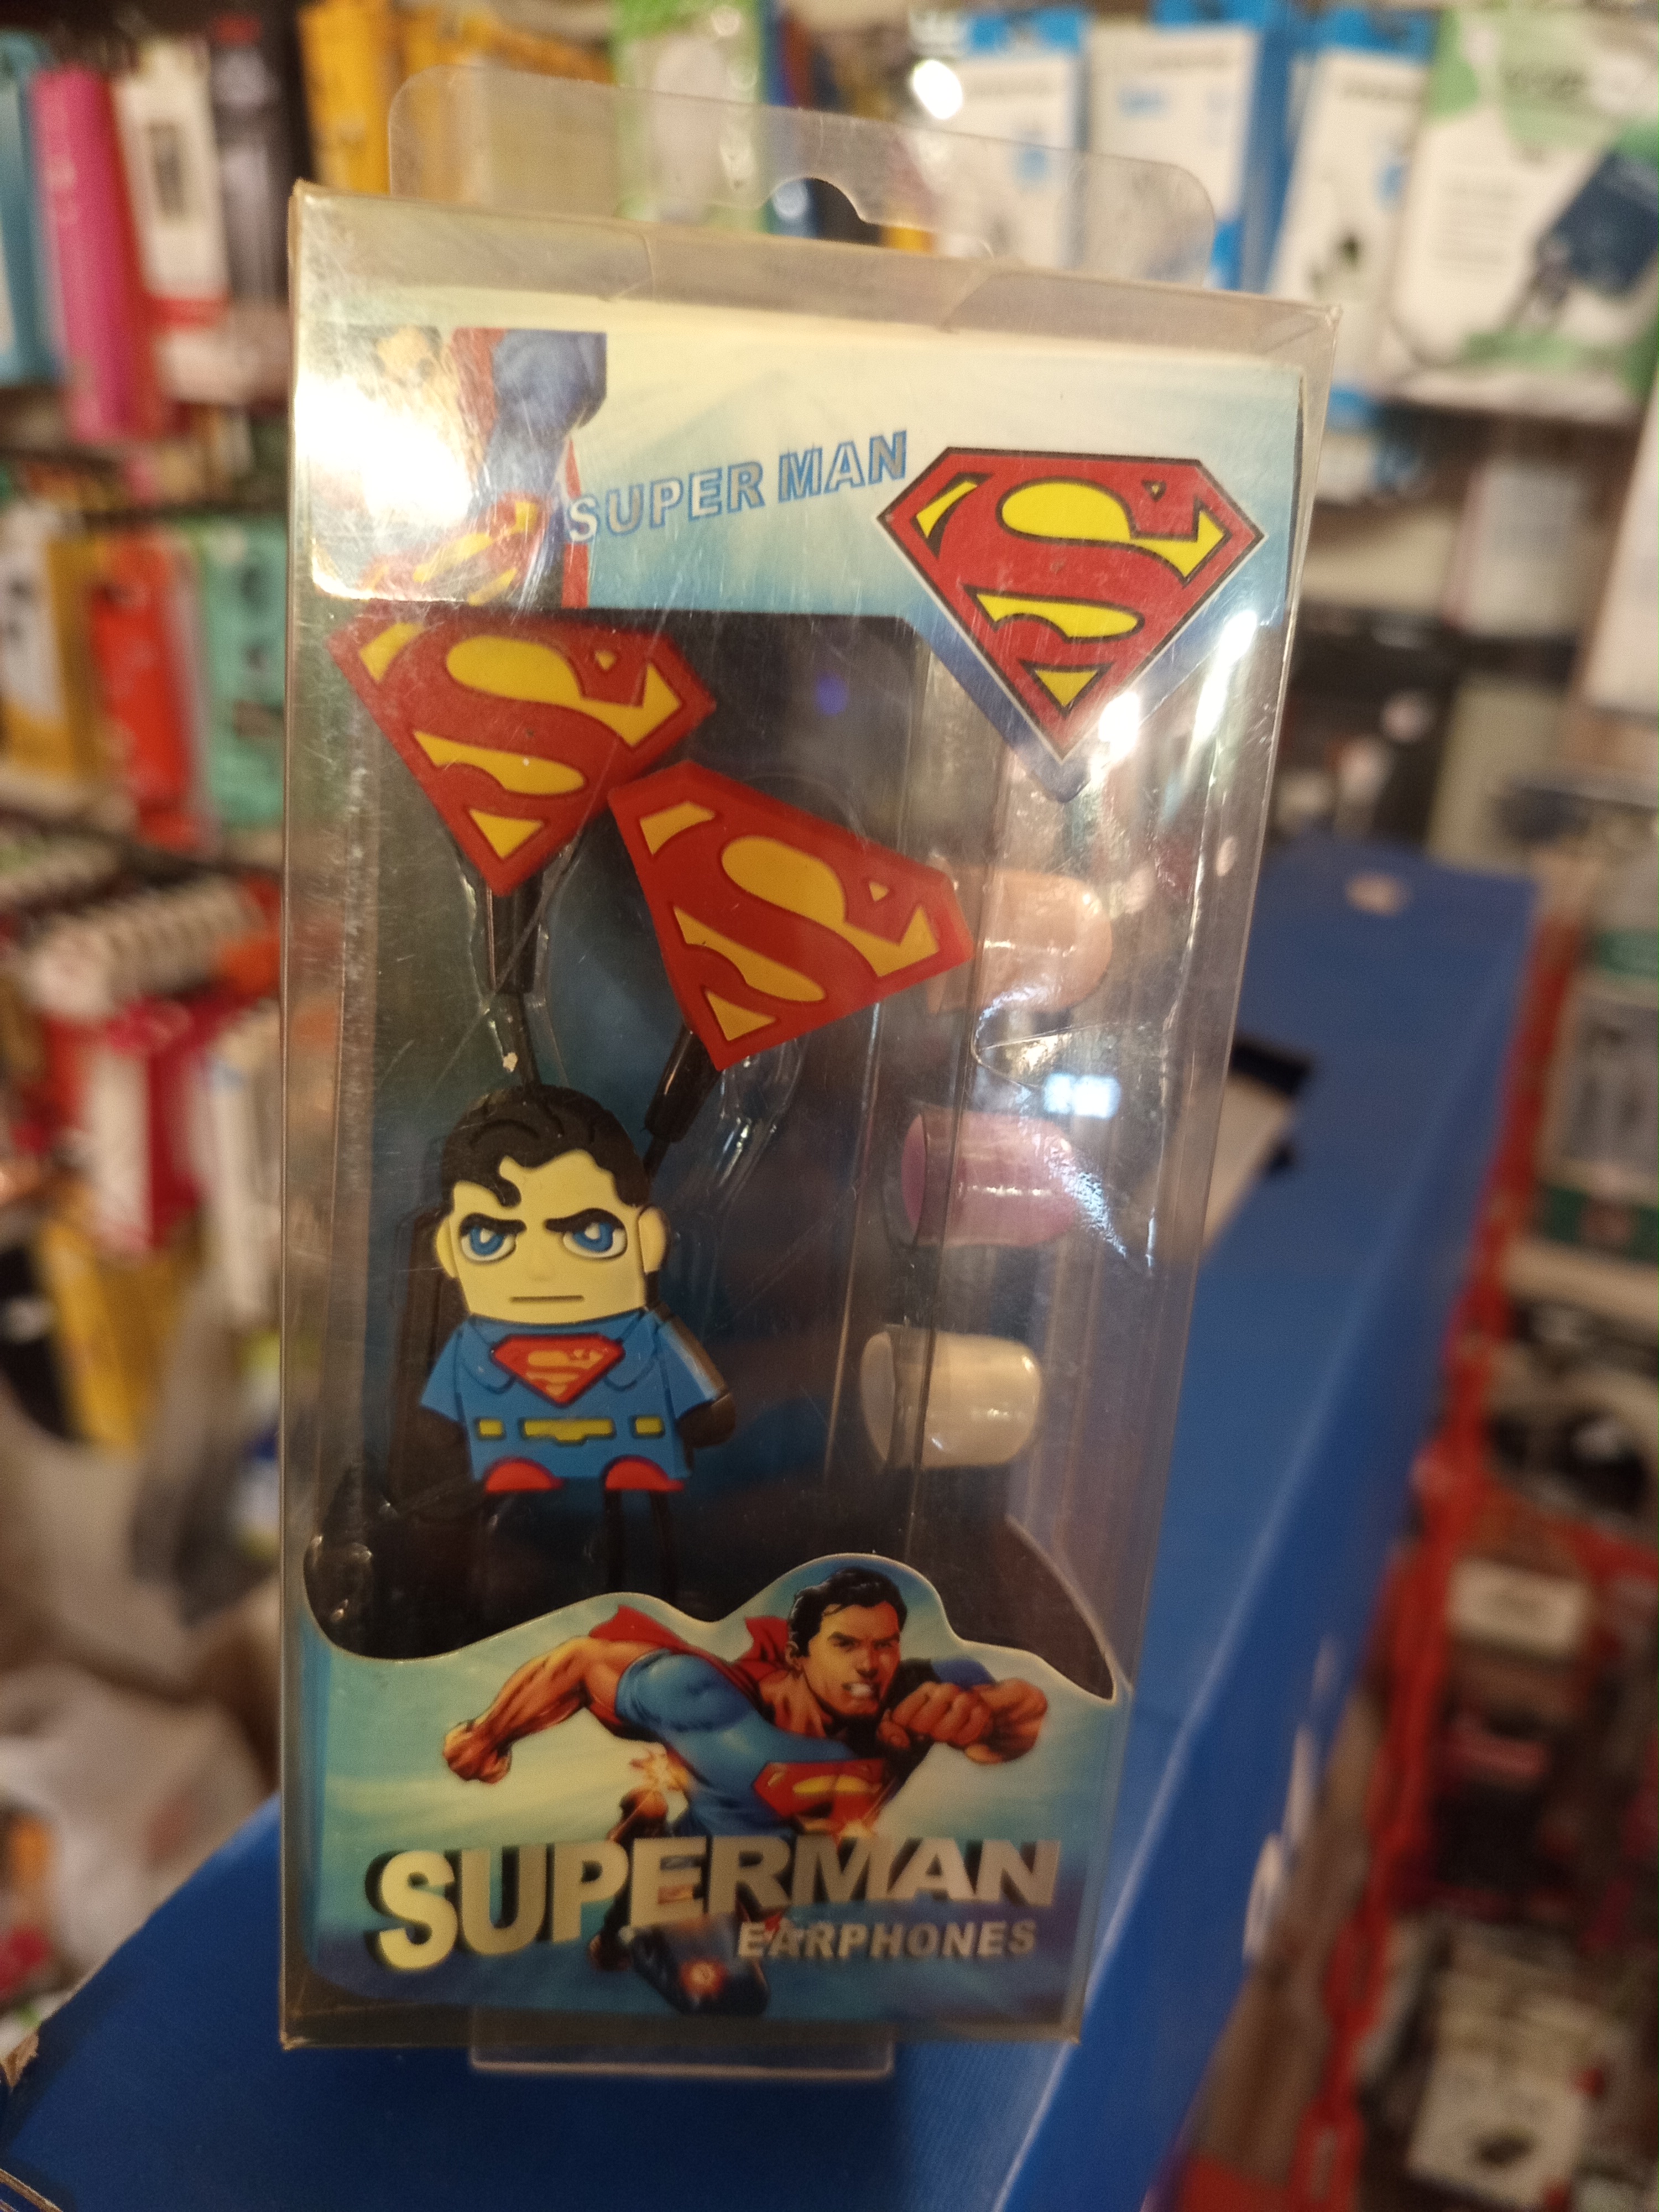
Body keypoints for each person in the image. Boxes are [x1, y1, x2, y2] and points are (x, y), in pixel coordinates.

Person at [442, 1562, 1048, 1838]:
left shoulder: (919, 1691)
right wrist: (488, 1735)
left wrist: (991, 1719)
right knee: (717, 1989)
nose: (871, 1664)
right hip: (708, 1867)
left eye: (885, 1644)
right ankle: (642, 1841)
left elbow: (1014, 1708)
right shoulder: (704, 1698)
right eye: (845, 1644)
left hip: (807, 1888)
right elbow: (581, 1660)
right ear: (797, 1655)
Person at [420, 1083, 733, 1499]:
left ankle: (633, 1460)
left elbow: (709, 1412)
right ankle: (522, 1463)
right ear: (448, 1251)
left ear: (648, 1239)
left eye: (590, 1234)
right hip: (513, 1455)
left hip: (637, 1448)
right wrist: (438, 1424)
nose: (540, 1269)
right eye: (489, 1239)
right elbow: (437, 1422)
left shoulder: (647, 1335)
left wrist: (704, 1411)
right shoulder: (472, 1345)